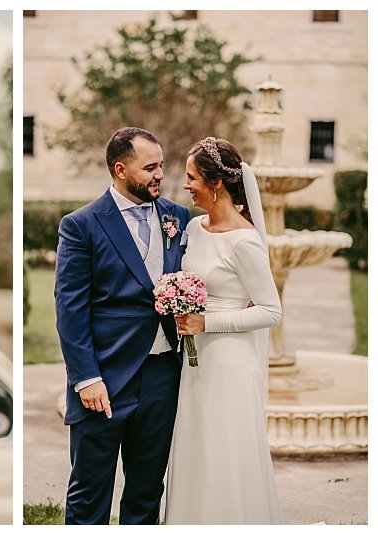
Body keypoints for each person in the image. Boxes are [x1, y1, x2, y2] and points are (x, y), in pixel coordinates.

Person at [55, 127, 191, 524]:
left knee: (147, 491)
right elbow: (70, 308)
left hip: (163, 374)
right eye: (150, 167)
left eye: (161, 166)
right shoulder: (82, 225)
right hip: (105, 378)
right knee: (90, 491)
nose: (159, 175)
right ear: (120, 169)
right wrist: (85, 378)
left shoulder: (176, 217)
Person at [164, 137, 282, 524]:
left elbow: (270, 310)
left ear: (216, 184)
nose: (185, 185)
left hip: (229, 364)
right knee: (197, 450)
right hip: (195, 364)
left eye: (192, 176)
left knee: (223, 453)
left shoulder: (245, 241)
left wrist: (206, 322)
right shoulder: (194, 228)